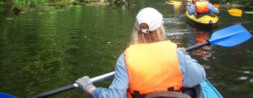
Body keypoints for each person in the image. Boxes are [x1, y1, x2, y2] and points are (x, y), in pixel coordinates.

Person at [75, 7, 207, 98]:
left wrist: (91, 89)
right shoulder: (176, 53)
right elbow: (200, 76)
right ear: (161, 29)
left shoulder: (125, 58)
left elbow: (114, 96)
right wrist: (185, 57)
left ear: (136, 30)